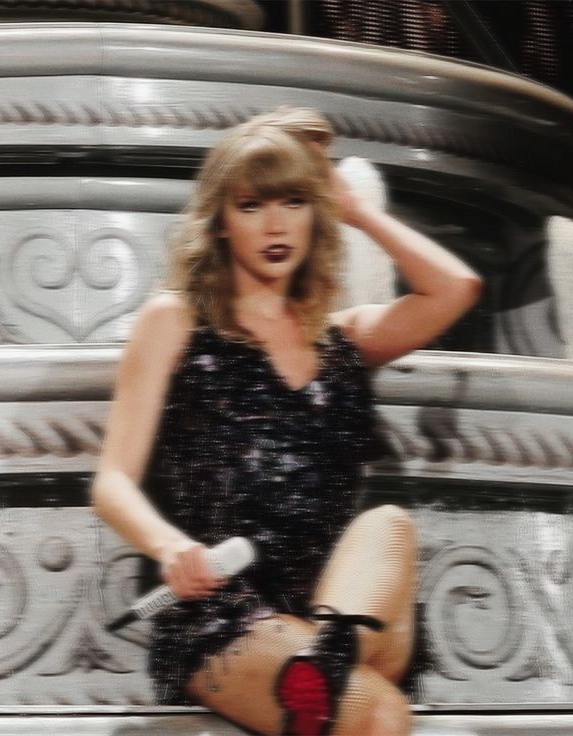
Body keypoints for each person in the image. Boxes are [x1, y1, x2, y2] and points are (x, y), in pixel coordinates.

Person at [92, 107, 482, 736]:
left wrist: (357, 210)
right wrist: (171, 549)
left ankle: (324, 664)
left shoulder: (345, 340)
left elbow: (456, 288)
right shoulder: (175, 322)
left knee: (388, 524)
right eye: (251, 206)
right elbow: (111, 481)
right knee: (381, 713)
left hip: (339, 609)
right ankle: (322, 676)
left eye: (295, 202)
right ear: (219, 222)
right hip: (225, 615)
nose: (276, 225)